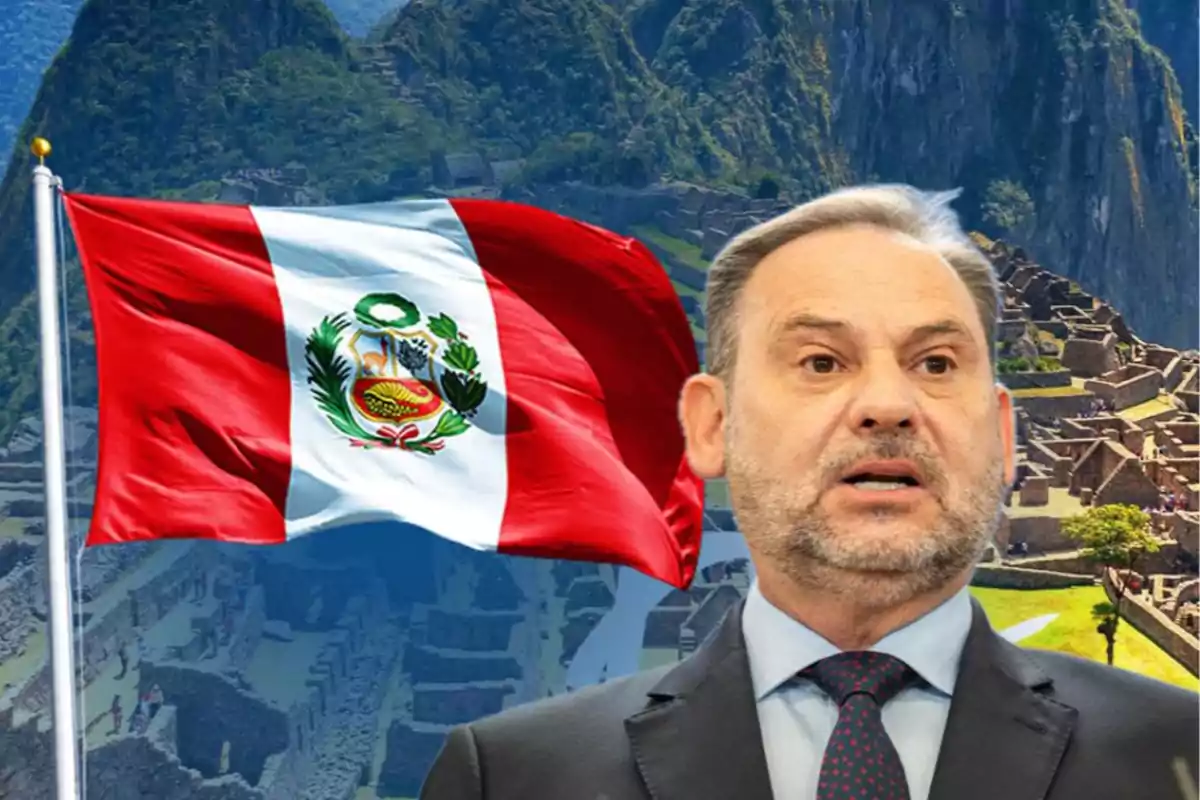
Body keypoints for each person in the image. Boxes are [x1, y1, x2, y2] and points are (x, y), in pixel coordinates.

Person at [419, 185, 1198, 800]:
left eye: (935, 364)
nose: (886, 405)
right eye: (821, 362)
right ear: (711, 425)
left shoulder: (1178, 760)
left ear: (1001, 434)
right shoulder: (513, 778)